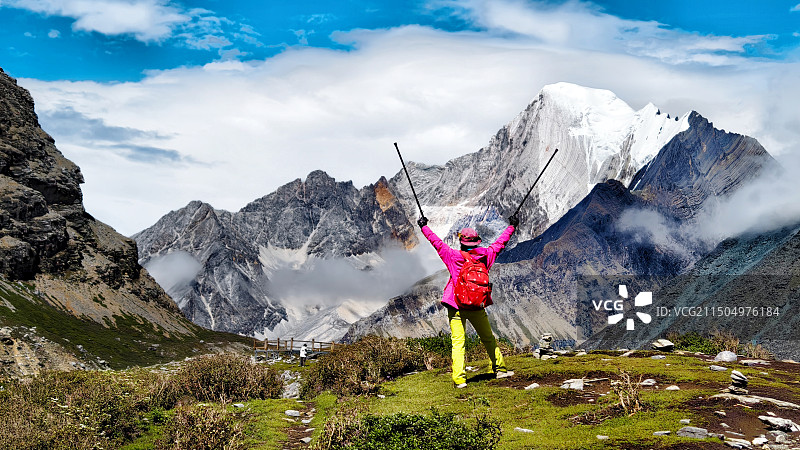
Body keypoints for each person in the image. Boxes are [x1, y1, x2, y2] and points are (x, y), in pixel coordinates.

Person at [417, 214, 519, 388]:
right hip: (477, 305)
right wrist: (512, 226)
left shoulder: (452, 256)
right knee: (488, 338)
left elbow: (436, 243)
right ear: (477, 242)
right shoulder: (487, 255)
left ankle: (460, 380)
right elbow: (501, 243)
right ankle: (500, 369)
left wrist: (423, 226)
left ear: (461, 242)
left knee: (458, 342)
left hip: (455, 304)